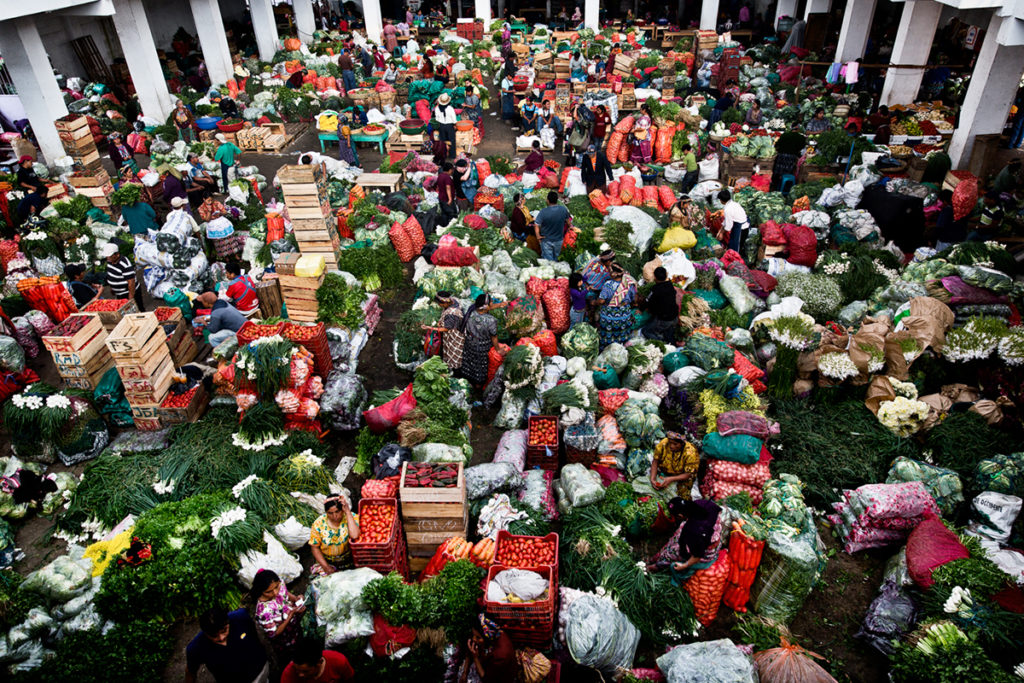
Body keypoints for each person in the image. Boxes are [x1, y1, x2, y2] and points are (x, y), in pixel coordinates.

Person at [649, 498, 724, 584]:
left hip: (706, 550)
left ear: (680, 516)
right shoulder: (700, 503)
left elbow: (698, 555)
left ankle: (657, 565)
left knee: (673, 553)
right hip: (710, 535)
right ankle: (658, 556)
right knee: (678, 536)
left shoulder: (694, 531)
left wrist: (684, 565)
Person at [186, 607, 269, 683]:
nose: (221, 638)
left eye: (224, 631)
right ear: (205, 633)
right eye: (214, 636)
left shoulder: (241, 617)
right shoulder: (196, 648)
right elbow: (190, 671)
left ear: (228, 622)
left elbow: (254, 636)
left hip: (259, 671)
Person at [250, 569, 305, 658]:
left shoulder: (279, 583)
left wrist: (295, 599)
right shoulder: (264, 612)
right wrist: (290, 615)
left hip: (293, 626)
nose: (275, 593)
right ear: (260, 591)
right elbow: (274, 633)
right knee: (290, 653)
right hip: (283, 637)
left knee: (299, 639)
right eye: (268, 592)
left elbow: (285, 593)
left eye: (276, 587)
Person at [309, 494, 361, 576]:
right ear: (326, 512)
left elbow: (355, 535)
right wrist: (326, 567)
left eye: (337, 511)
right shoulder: (319, 524)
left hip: (348, 561)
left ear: (342, 509)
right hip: (327, 562)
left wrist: (347, 512)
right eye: (330, 513)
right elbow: (315, 547)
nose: (334, 516)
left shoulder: (351, 517)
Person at [460, 615, 518, 683]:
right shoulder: (493, 633)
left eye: (478, 637)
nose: (474, 639)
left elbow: (486, 679)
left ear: (487, 638)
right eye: (473, 635)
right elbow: (469, 651)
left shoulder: (500, 656)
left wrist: (475, 658)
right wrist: (465, 672)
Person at [459, 293, 499, 387]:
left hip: (469, 342)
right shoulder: (491, 320)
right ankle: (478, 384)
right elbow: (494, 336)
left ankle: (468, 379)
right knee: (481, 365)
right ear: (485, 307)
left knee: (470, 361)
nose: (492, 304)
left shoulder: (470, 312)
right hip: (482, 346)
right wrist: (498, 349)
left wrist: (499, 305)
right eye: (491, 302)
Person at [595, 264, 637, 347]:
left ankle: (607, 348)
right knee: (623, 334)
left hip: (609, 316)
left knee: (608, 335)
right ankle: (623, 348)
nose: (609, 273)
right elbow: (634, 299)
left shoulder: (608, 284)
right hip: (624, 314)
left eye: (610, 271)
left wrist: (595, 302)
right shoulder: (629, 283)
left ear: (615, 273)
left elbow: (601, 301)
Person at [649, 430, 698, 497]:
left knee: (679, 497)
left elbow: (688, 474)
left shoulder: (690, 453)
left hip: (682, 477)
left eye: (675, 444)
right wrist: (653, 479)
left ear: (682, 444)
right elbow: (655, 461)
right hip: (664, 472)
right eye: (670, 443)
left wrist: (671, 479)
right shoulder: (663, 444)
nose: (671, 446)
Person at [282, 639, 355, 683]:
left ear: (319, 662)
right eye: (297, 670)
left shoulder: (338, 662)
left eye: (305, 671)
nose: (300, 675)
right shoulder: (288, 674)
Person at [101, 242, 143, 312]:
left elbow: (131, 283)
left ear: (117, 254)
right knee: (124, 312)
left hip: (128, 292)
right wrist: (112, 288)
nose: (108, 258)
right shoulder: (110, 261)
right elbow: (111, 274)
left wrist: (130, 299)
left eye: (110, 256)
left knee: (138, 310)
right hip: (120, 293)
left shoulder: (124, 264)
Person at [641, 267, 679, 343]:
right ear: (666, 275)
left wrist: (641, 309)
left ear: (655, 277)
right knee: (669, 335)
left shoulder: (655, 289)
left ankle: (662, 342)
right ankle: (671, 342)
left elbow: (648, 301)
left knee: (645, 331)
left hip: (664, 319)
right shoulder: (670, 285)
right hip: (675, 317)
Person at [534, 190, 570, 261]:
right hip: (559, 240)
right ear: (557, 200)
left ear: (548, 200)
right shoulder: (563, 210)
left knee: (548, 261)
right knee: (557, 258)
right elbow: (569, 223)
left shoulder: (543, 212)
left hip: (546, 241)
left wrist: (538, 236)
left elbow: (536, 225)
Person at [771, 122, 806, 190]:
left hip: (781, 156)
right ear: (798, 129)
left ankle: (775, 185)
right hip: (792, 157)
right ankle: (785, 187)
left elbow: (777, 145)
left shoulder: (785, 135)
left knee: (778, 171)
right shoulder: (801, 137)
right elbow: (801, 148)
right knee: (787, 172)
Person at [719, 189, 750, 259]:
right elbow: (726, 221)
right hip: (742, 226)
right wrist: (720, 230)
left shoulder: (728, 209)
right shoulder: (734, 203)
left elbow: (728, 227)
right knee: (734, 246)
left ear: (722, 200)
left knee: (736, 250)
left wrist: (721, 233)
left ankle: (737, 262)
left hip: (741, 229)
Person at [434, 93, 457, 159]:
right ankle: (452, 155)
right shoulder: (450, 108)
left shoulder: (437, 108)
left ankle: (443, 155)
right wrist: (455, 124)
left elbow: (437, 119)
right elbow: (454, 119)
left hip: (441, 126)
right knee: (452, 140)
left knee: (442, 141)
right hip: (449, 126)